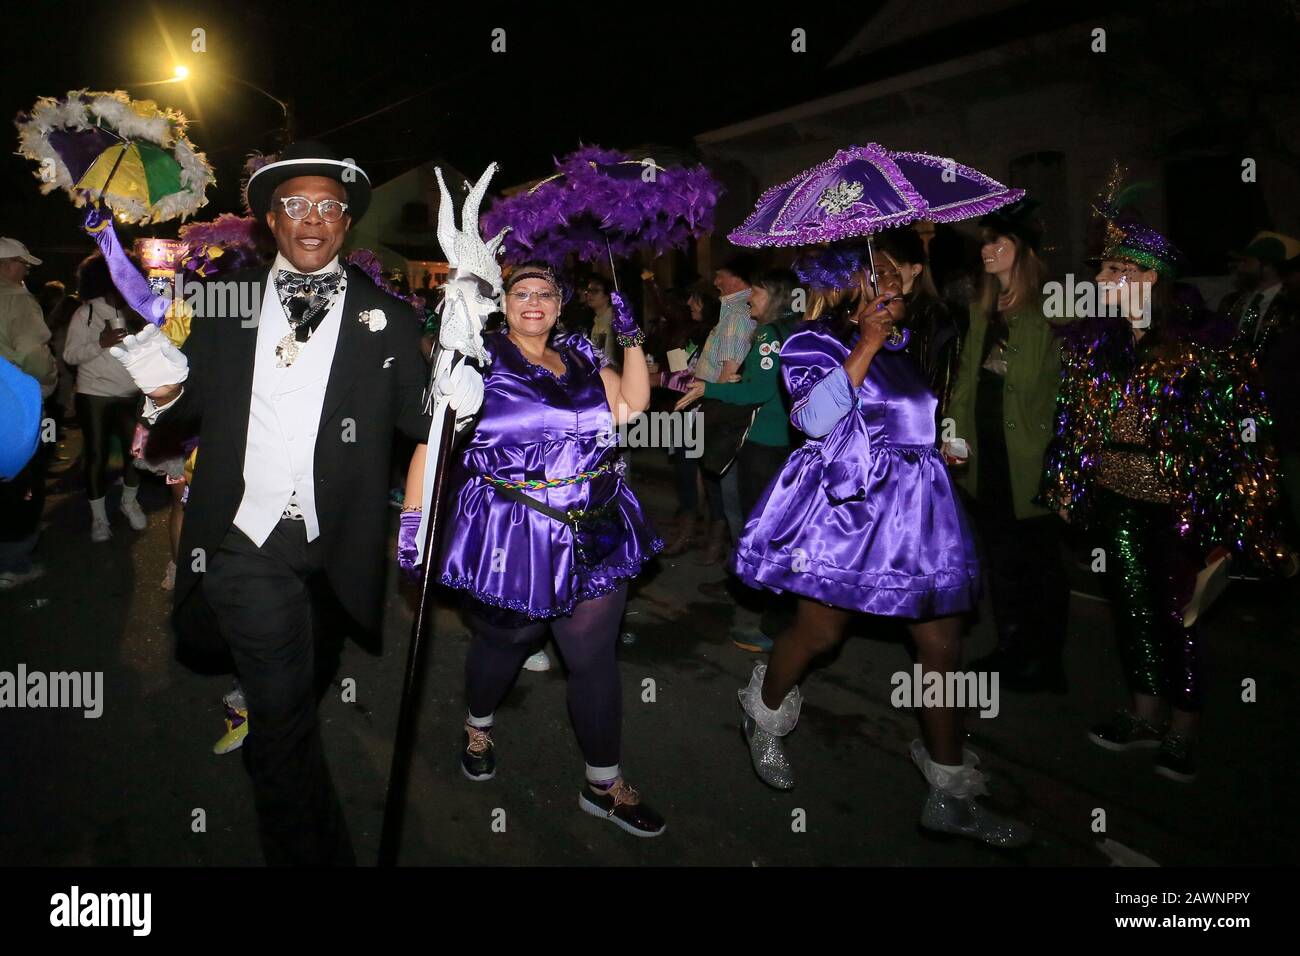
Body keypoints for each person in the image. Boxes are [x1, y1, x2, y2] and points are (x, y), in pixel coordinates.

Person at [99, 141, 445, 865]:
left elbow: (421, 423)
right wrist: (162, 385)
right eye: (295, 205)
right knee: (285, 721)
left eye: (328, 206)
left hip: (334, 548)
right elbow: (186, 404)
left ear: (346, 222)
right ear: (271, 220)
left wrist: (460, 387)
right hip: (243, 540)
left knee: (302, 686)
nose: (311, 219)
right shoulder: (224, 303)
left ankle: (278, 764)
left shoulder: (391, 319)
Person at [730, 258, 1030, 848]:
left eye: (904, 271)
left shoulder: (906, 342)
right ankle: (761, 712)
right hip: (850, 513)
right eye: (886, 270)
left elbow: (907, 419)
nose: (899, 279)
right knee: (820, 637)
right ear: (854, 277)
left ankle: (949, 793)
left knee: (942, 646)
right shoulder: (811, 340)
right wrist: (864, 342)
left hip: (919, 512)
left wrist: (940, 446)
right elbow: (816, 419)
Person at [401, 262, 666, 837]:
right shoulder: (478, 358)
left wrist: (633, 337)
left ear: (559, 304)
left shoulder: (579, 355)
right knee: (507, 640)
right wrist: (413, 520)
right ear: (505, 302)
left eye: (545, 293)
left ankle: (604, 783)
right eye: (521, 292)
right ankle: (478, 721)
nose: (533, 301)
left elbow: (631, 408)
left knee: (593, 661)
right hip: (513, 530)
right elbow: (434, 438)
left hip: (593, 524)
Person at [1040, 217, 1288, 782]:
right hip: (1115, 498)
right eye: (1103, 269)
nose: (1100, 278)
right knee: (1131, 610)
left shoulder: (1206, 345)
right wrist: (1066, 485)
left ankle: (1183, 727)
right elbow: (1072, 425)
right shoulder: (1092, 341)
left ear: (1148, 276)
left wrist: (1235, 522)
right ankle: (1144, 714)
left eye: (1113, 268)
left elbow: (1243, 437)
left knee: (1182, 617)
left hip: (1181, 503)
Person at [944, 198, 1071, 693]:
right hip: (987, 457)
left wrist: (1063, 467)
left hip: (1032, 462)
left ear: (1024, 251)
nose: (987, 251)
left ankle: (1045, 660)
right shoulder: (983, 311)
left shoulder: (1052, 312)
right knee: (1001, 559)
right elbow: (966, 386)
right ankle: (1012, 647)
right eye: (985, 243)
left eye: (999, 242)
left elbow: (1066, 396)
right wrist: (953, 437)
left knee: (1039, 563)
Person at [676, 268, 797, 650]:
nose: (750, 300)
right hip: (782, 440)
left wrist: (708, 388)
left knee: (756, 523)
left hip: (763, 441)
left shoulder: (767, 336)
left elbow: (758, 391)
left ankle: (772, 612)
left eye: (757, 292)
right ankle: (757, 595)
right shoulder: (790, 331)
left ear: (775, 296)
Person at [62, 254, 147, 542]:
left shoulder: (137, 312)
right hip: (94, 394)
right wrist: (101, 342)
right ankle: (99, 519)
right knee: (96, 456)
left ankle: (129, 502)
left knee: (135, 454)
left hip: (130, 393)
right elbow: (70, 355)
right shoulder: (85, 313)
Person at [0, 237, 56, 588]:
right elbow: (34, 356)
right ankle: (13, 562)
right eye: (23, 263)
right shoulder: (18, 302)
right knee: (23, 479)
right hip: (14, 403)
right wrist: (48, 382)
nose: (27, 270)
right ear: (6, 265)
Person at [692, 256, 757, 563]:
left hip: (721, 407)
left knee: (728, 489)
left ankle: (742, 561)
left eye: (719, 274)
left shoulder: (736, 315)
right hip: (716, 403)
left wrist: (712, 406)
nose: (715, 282)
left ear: (736, 278)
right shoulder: (730, 311)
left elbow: (728, 372)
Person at [873, 229, 963, 421]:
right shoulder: (876, 309)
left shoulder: (933, 314)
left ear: (915, 269)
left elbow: (945, 378)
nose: (890, 277)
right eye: (881, 270)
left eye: (895, 268)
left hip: (918, 418)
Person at [657, 282, 719, 556]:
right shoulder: (686, 332)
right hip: (683, 413)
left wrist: (660, 377)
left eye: (696, 301)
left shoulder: (717, 336)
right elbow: (678, 370)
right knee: (686, 471)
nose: (690, 305)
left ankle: (711, 533)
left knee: (708, 476)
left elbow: (697, 379)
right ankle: (691, 527)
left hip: (705, 413)